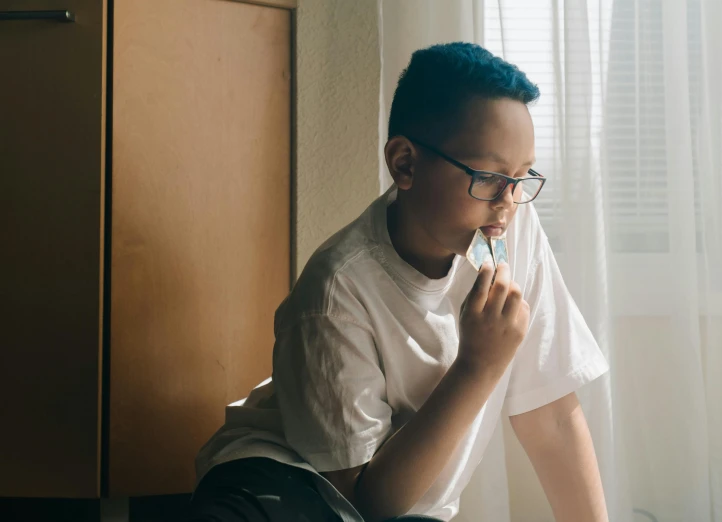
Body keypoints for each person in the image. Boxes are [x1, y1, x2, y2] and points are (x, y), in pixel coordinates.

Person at [185, 42, 610, 522]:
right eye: (489, 177)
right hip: (281, 480)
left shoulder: (508, 225)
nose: (509, 202)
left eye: (521, 177)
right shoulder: (335, 291)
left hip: (396, 502)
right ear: (405, 163)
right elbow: (366, 502)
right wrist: (477, 365)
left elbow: (550, 415)